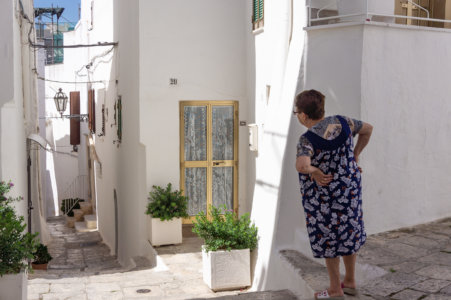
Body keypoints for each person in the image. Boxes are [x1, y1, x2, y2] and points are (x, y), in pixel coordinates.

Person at [294, 89, 373, 300]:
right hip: (349, 191)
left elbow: (302, 165)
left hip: (324, 199)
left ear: (303, 115)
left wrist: (316, 171)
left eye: (297, 113)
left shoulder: (307, 140)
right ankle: (350, 282)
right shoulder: (344, 122)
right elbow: (368, 129)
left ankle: (335, 290)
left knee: (329, 240)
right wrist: (355, 156)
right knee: (348, 233)